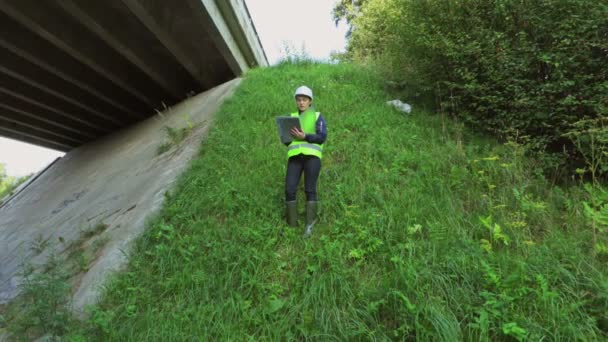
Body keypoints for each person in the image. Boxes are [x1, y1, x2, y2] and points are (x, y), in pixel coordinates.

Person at [284, 85, 327, 237]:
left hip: (312, 158)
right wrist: (286, 137)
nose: (301, 103)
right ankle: (292, 223)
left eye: (304, 100)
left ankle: (310, 224)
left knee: (310, 189)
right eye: (298, 100)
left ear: (310, 101)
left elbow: (322, 136)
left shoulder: (317, 116)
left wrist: (305, 137)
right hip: (295, 158)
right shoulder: (291, 117)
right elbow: (287, 141)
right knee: (289, 189)